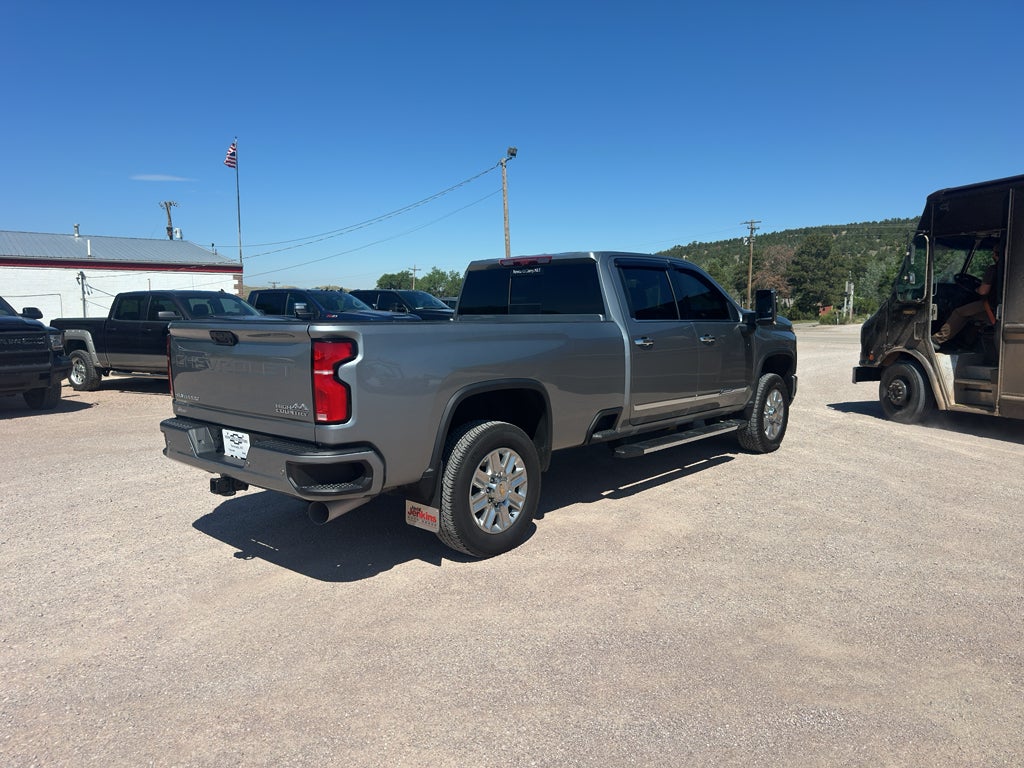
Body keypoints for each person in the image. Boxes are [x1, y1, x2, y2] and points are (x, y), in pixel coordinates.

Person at [932, 245, 1002, 348]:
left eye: (994, 253)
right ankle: (967, 343)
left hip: (990, 306)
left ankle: (937, 340)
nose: (993, 255)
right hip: (1000, 307)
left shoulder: (993, 269)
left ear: (996, 255)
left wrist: (976, 289)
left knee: (959, 313)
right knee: (970, 316)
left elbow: (983, 291)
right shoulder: (1007, 269)